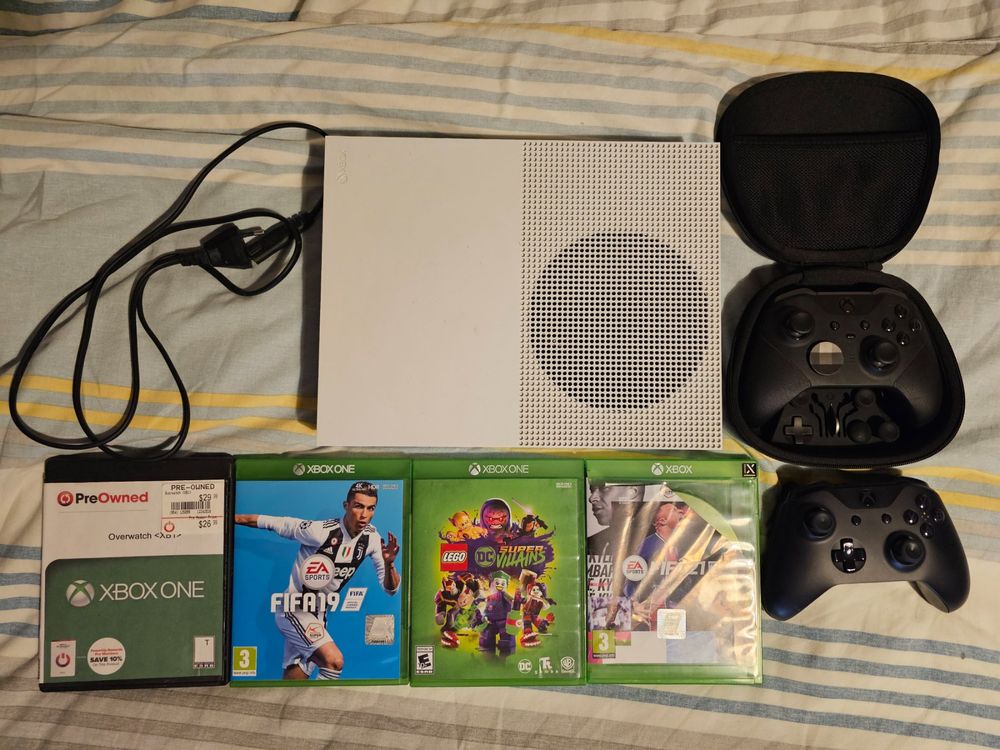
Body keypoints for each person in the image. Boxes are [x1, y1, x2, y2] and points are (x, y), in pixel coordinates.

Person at [234, 480, 400, 680]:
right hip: (294, 610)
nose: (364, 514)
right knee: (334, 661)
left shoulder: (372, 538)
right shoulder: (320, 531)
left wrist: (389, 564)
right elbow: (271, 522)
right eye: (358, 506)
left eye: (370, 508)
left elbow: (390, 589)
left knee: (295, 678)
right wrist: (228, 517)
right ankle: (326, 702)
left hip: (318, 615)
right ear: (346, 505)